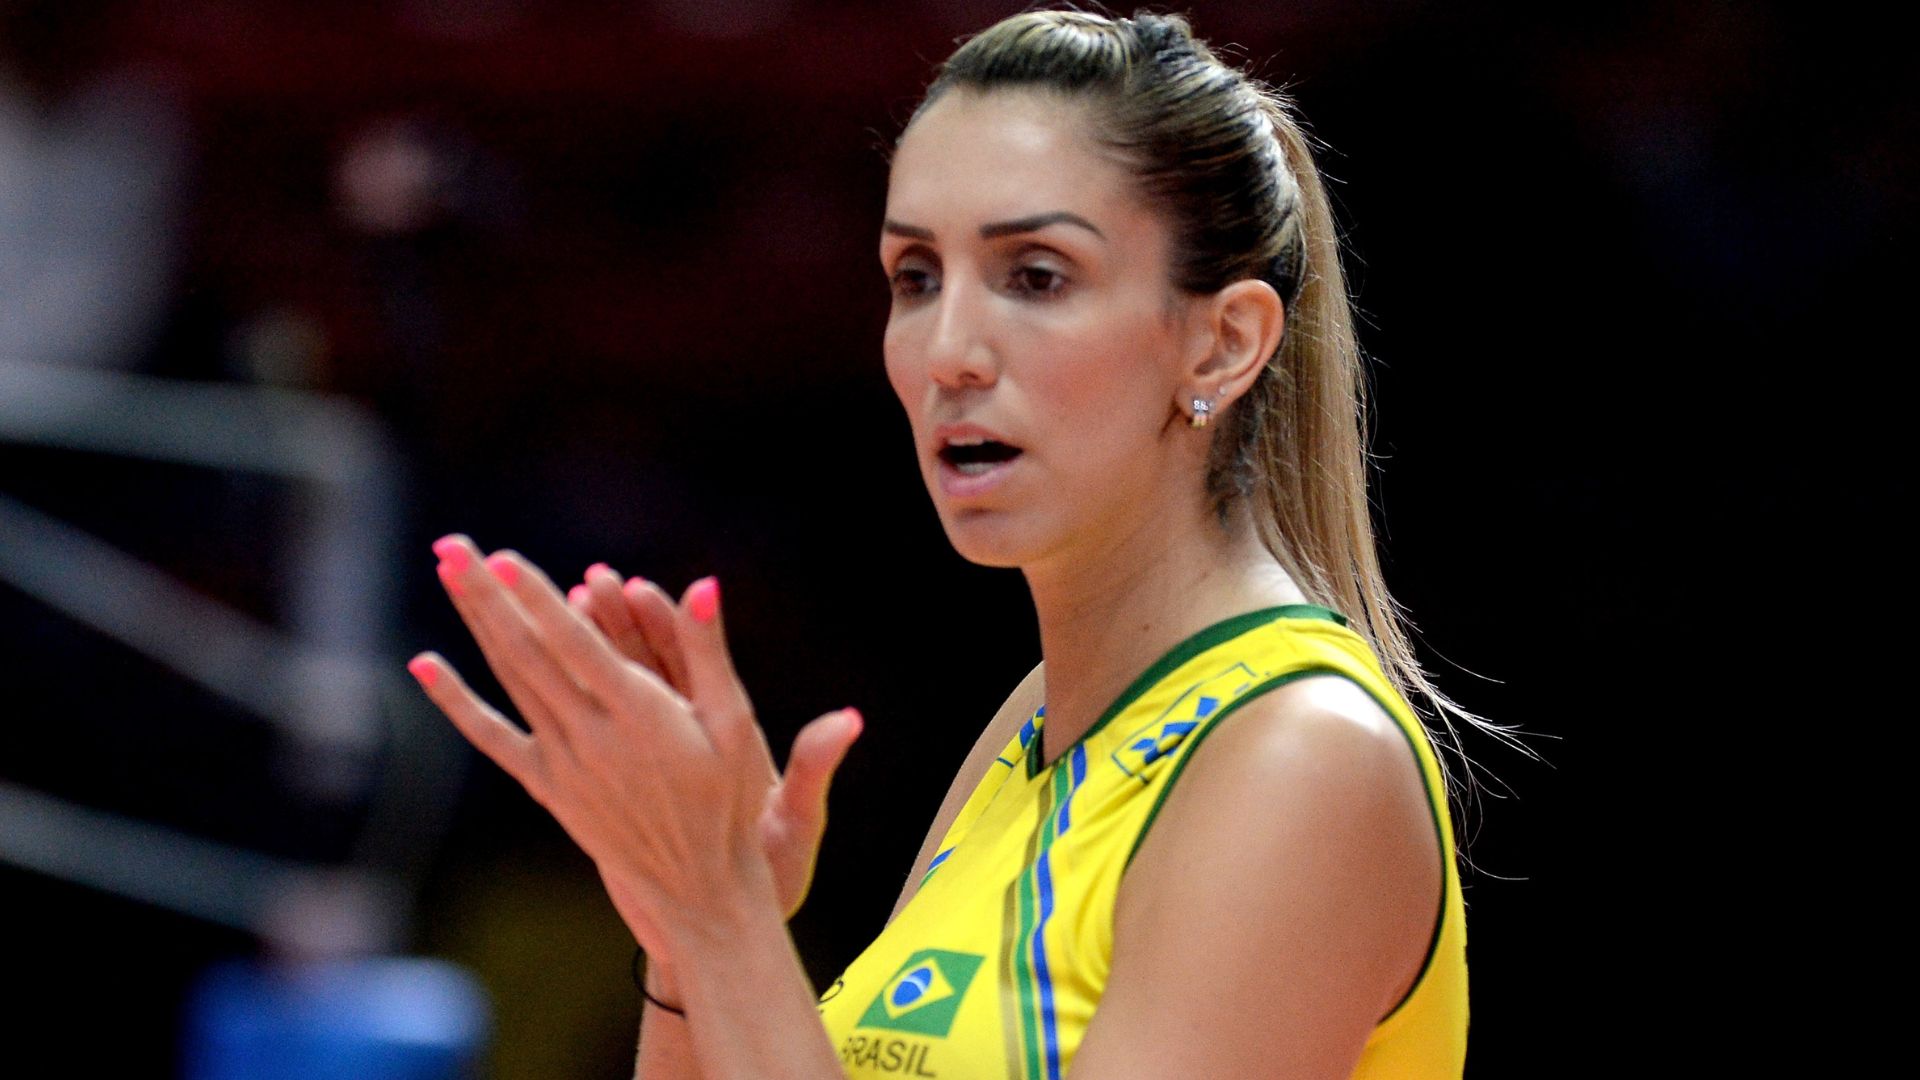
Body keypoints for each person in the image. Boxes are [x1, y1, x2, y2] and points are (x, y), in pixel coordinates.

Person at [406, 9, 1484, 1078]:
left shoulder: (1303, 755)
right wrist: (690, 930)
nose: (948, 351)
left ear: (1222, 342)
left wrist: (721, 916)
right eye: (916, 278)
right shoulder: (1036, 722)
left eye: (1037, 275)